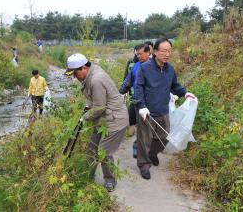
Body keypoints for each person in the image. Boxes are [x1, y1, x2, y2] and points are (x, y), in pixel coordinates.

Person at [65, 53, 129, 192]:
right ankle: (88, 174)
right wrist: (87, 108)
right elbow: (94, 98)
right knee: (91, 148)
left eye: (75, 73)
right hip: (104, 119)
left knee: (103, 152)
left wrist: (85, 117)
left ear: (83, 68)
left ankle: (110, 180)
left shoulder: (96, 79)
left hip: (115, 120)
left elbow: (100, 107)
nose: (75, 77)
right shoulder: (92, 71)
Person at [134, 37, 195, 180]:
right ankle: (143, 165)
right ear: (155, 52)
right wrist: (141, 106)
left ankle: (152, 154)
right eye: (164, 51)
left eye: (169, 51)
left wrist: (185, 93)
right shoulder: (145, 68)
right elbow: (138, 88)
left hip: (163, 110)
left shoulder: (170, 69)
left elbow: (175, 85)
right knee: (144, 140)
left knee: (163, 138)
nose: (167, 54)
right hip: (146, 112)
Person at [119, 44, 151, 159]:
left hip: (152, 103)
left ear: (148, 52)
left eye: (141, 54)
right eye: (137, 54)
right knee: (141, 127)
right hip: (138, 101)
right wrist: (120, 94)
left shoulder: (156, 65)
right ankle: (138, 149)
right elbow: (128, 82)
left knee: (150, 129)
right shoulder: (135, 66)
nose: (138, 56)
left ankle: (149, 150)